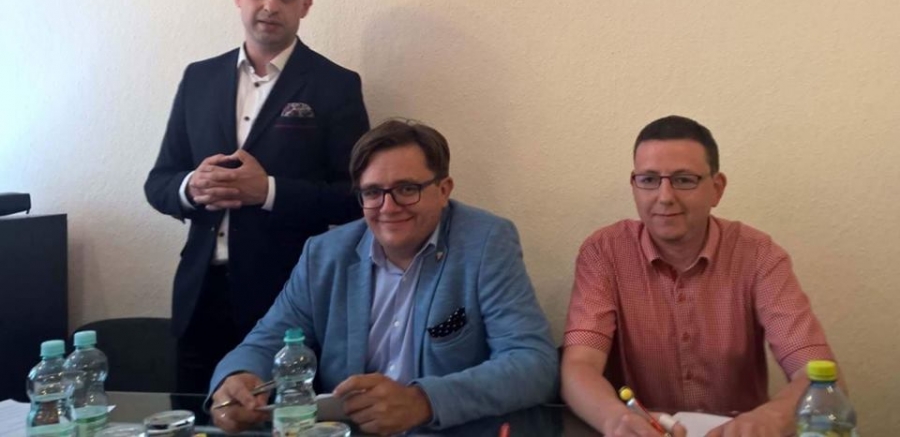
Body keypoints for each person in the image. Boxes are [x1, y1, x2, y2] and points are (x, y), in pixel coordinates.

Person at [209, 120, 558, 435]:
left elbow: (533, 363)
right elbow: (265, 341)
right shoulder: (325, 255)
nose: (388, 208)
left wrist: (422, 401)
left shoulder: (485, 243)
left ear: (444, 190)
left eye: (407, 189)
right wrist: (237, 378)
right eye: (373, 192)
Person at [144, 0, 369, 393]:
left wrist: (266, 191)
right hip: (199, 296)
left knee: (283, 419)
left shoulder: (336, 85)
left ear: (305, 5)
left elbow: (357, 199)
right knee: (198, 415)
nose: (271, 5)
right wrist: (192, 187)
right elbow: (159, 182)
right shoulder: (198, 78)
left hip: (290, 296)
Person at [561, 115, 838, 437]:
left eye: (684, 180)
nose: (665, 196)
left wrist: (769, 421)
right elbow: (579, 366)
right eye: (649, 179)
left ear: (716, 189)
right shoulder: (604, 253)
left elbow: (820, 376)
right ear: (634, 186)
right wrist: (615, 420)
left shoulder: (759, 255)